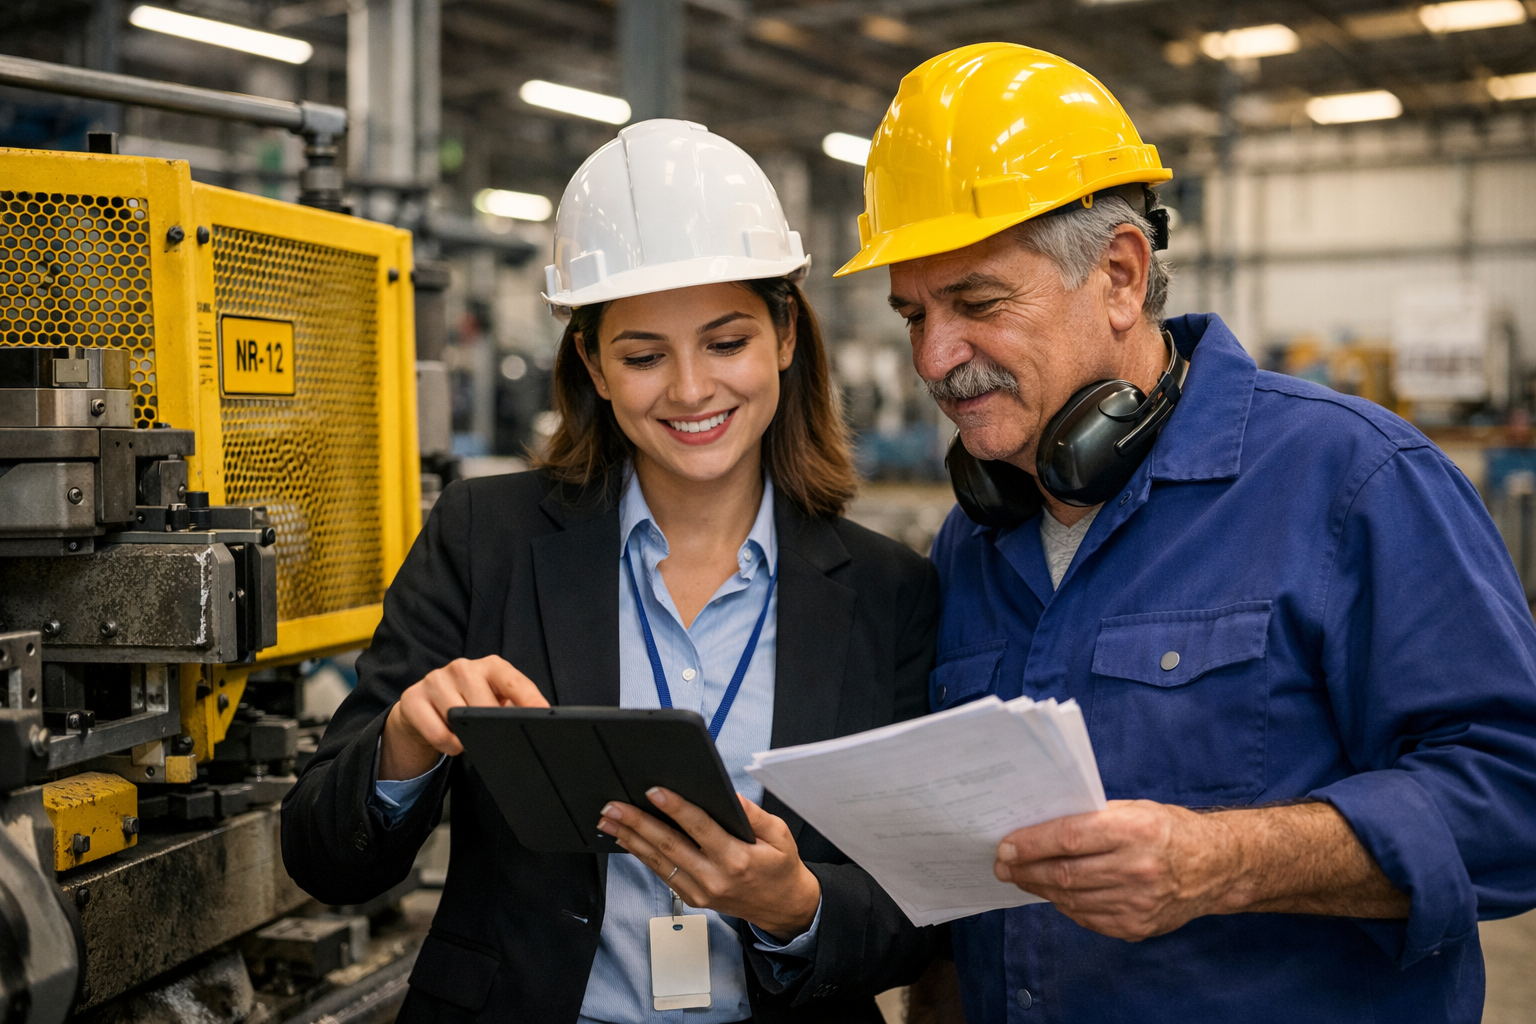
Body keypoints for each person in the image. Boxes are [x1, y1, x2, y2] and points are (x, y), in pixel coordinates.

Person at [830, 42, 1536, 1023]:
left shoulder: (1351, 481)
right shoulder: (975, 540)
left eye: (977, 304)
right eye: (913, 315)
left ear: (1120, 275)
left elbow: (1514, 799)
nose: (935, 357)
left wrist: (1225, 863)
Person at [281, 119, 940, 1024]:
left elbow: (920, 913)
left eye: (725, 341)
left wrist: (796, 908)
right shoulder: (487, 540)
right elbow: (324, 856)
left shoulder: (888, 594)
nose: (691, 389)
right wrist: (402, 743)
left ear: (785, 334)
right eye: (642, 355)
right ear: (590, 362)